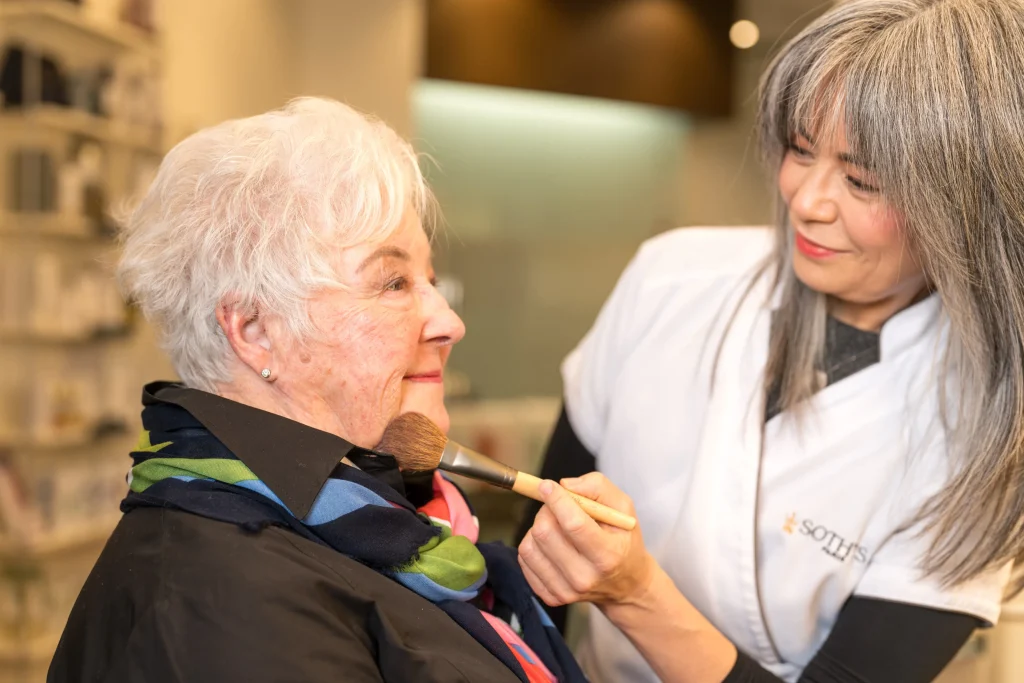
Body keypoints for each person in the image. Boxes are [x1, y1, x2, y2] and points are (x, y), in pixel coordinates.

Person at [516, 1, 1024, 681]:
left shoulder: (981, 435)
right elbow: (536, 538)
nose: (805, 199)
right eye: (800, 149)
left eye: (862, 179)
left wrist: (637, 593)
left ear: (966, 204)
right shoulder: (672, 278)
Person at [48, 98, 586, 683]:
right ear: (256, 331)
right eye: (394, 283)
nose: (449, 322)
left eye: (429, 280)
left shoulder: (374, 520)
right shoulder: (228, 596)